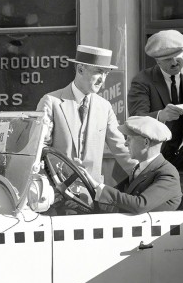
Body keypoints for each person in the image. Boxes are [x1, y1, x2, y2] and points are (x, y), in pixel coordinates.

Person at [37, 44, 134, 184]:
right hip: (58, 189)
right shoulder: (51, 102)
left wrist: (147, 172)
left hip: (91, 192)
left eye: (106, 73)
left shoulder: (104, 107)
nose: (103, 79)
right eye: (99, 72)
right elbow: (41, 148)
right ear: (80, 69)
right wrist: (65, 169)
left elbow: (121, 148)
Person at [128, 29, 183, 161]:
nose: (174, 62)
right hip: (154, 152)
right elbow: (136, 120)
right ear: (157, 61)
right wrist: (161, 116)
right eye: (167, 59)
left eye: (178, 57)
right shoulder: (142, 80)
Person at [82, 116, 182, 214]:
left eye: (129, 139)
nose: (125, 144)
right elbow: (118, 199)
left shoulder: (168, 173)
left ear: (146, 142)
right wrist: (84, 205)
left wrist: (99, 187)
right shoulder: (140, 169)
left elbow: (140, 205)